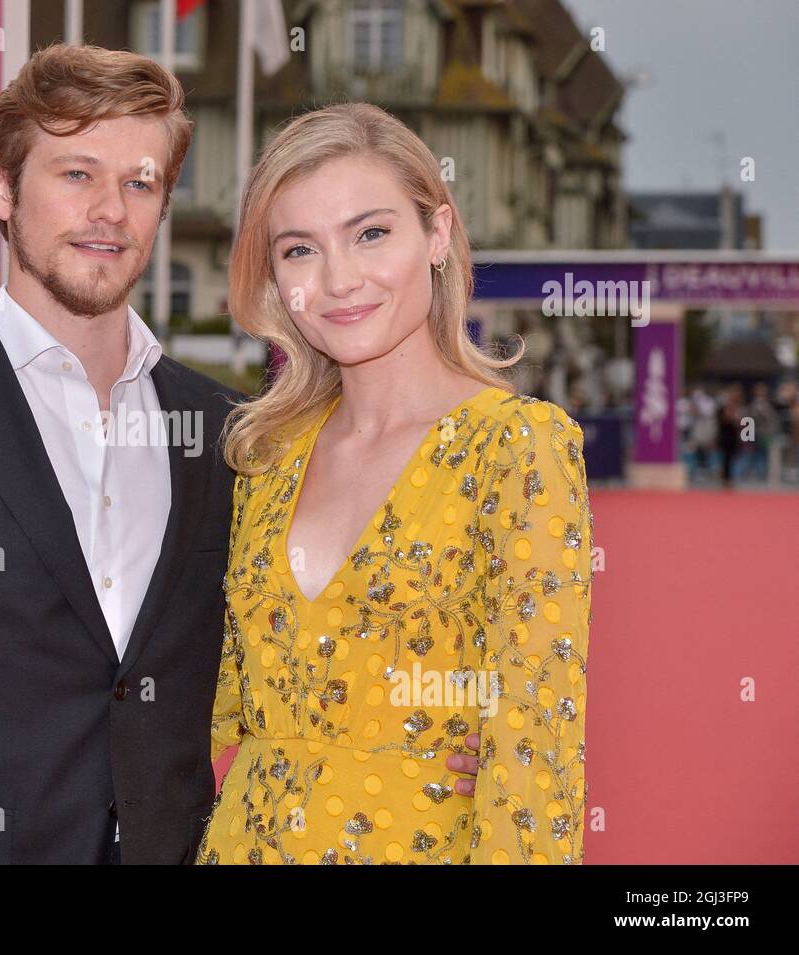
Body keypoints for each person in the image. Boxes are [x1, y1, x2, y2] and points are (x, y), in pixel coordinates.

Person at [0, 43, 482, 865]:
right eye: (75, 174)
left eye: (139, 181)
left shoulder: (228, 434)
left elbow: (290, 659)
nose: (110, 210)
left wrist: (449, 740)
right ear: (2, 185)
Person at [194, 102, 593, 864]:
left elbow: (536, 755)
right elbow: (201, 697)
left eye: (370, 233)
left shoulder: (516, 449)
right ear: (277, 278)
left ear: (437, 235)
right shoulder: (268, 458)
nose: (340, 279)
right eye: (300, 249)